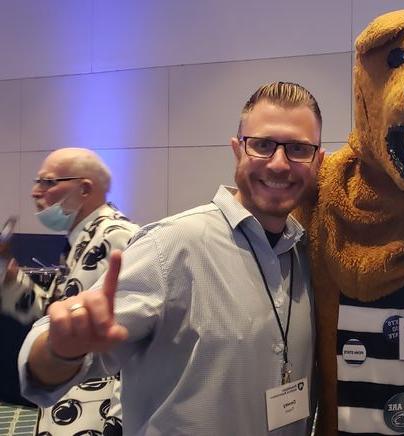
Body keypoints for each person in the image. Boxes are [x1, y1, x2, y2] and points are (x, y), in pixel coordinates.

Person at [18, 82, 325, 435]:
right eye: (263, 145)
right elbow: (42, 365)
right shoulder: (171, 246)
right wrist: (61, 349)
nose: (279, 164)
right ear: (238, 150)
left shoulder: (307, 256)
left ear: (318, 160)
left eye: (299, 149)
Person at [1, 148, 139, 435]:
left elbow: (127, 336)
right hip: (72, 393)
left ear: (85, 188)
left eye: (47, 182)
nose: (35, 192)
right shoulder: (83, 238)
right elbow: (56, 318)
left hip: (95, 404)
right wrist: (11, 280)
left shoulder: (115, 235)